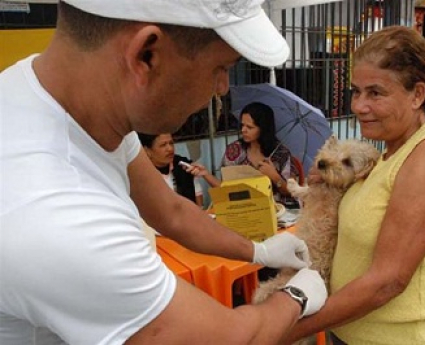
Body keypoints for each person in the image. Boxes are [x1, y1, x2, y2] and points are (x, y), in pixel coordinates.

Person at [0, 1, 329, 344]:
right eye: (221, 67)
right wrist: (296, 298)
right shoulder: (56, 214)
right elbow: (231, 339)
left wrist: (257, 251)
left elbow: (172, 212)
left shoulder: (68, 103)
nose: (222, 88)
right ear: (147, 55)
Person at [284, 26, 425, 345]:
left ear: (417, 94)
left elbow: (389, 281)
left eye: (375, 93)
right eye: (356, 91)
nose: (359, 105)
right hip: (347, 331)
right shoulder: (386, 155)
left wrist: (286, 329)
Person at [206, 102, 300, 208]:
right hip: (243, 209)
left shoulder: (281, 153)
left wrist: (274, 176)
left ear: (263, 128)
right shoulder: (235, 150)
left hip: (276, 210)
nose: (243, 130)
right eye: (242, 125)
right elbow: (225, 187)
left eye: (249, 127)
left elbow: (292, 192)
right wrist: (205, 174)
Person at [137, 132, 217, 207]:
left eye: (171, 143)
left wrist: (206, 175)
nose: (170, 149)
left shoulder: (183, 166)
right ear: (147, 150)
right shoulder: (141, 174)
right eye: (163, 145)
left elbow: (199, 203)